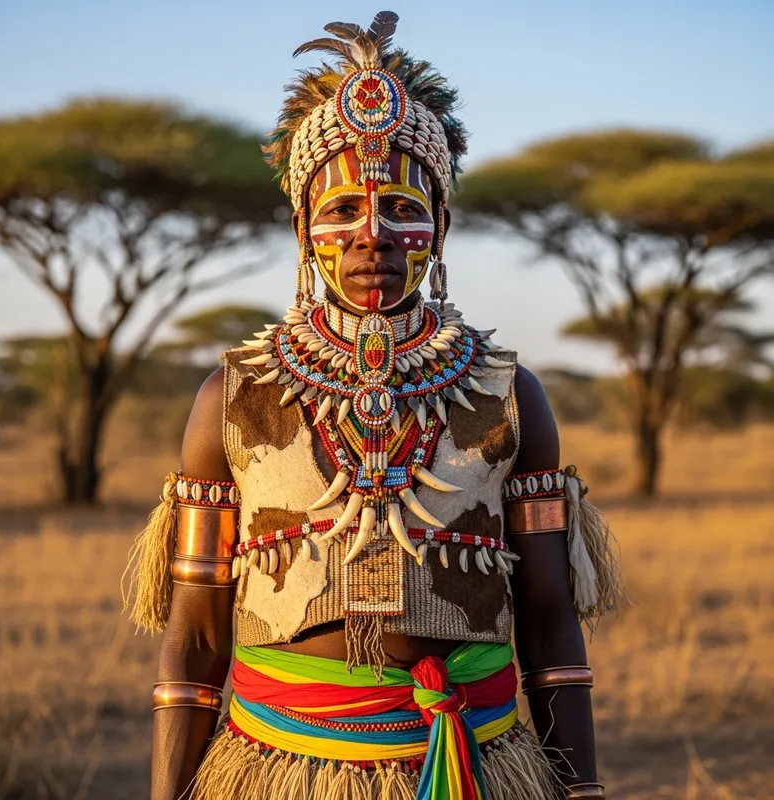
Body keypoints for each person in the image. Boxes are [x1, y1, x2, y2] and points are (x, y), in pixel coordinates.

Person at [124, 11, 625, 800]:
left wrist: (583, 789)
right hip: (275, 767)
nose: (373, 237)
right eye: (341, 213)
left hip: (478, 765)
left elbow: (550, 620)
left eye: (401, 208)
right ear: (302, 234)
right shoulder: (233, 396)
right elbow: (194, 636)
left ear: (443, 227)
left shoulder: (509, 394)